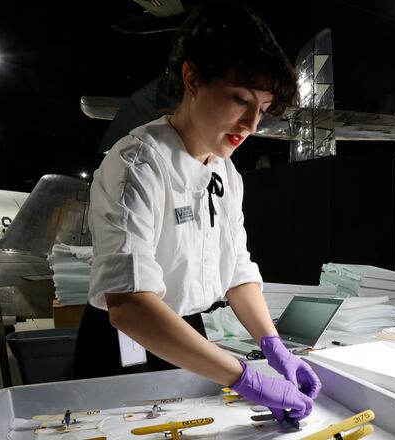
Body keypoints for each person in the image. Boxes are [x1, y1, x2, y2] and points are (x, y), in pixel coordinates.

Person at [73, 4, 319, 425]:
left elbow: (238, 272)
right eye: (240, 99)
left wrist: (274, 345)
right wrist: (245, 377)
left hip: (188, 330)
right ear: (192, 78)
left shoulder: (225, 171)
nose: (252, 124)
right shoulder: (137, 163)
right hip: (127, 340)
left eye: (261, 108)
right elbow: (130, 305)